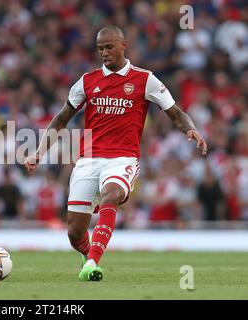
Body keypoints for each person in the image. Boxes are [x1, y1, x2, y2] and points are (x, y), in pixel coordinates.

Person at [25, 26, 207, 281]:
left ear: (123, 45)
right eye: (100, 48)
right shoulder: (87, 81)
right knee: (75, 232)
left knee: (111, 195)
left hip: (122, 159)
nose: (104, 53)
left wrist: (191, 129)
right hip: (87, 160)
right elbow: (61, 118)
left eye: (109, 47)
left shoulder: (145, 79)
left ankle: (91, 263)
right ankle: (88, 254)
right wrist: (38, 152)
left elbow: (175, 112)